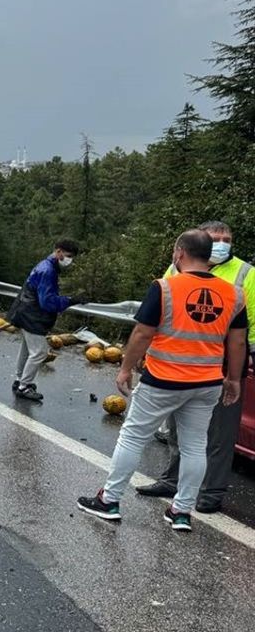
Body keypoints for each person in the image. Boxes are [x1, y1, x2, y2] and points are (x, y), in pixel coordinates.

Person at [78, 229, 247, 532]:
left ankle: (110, 501)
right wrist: (234, 379)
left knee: (133, 437)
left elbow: (143, 333)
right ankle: (181, 512)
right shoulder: (234, 294)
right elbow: (237, 342)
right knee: (196, 446)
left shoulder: (165, 287)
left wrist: (125, 368)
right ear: (209, 256)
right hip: (208, 381)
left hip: (164, 379)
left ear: (180, 253)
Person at [137, 220, 254, 513]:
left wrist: (237, 370)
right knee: (180, 429)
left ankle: (211, 492)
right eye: (215, 238)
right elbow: (163, 305)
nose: (221, 243)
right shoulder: (178, 266)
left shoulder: (246, 274)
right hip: (181, 361)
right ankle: (172, 480)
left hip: (225, 361)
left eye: (227, 238)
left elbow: (248, 328)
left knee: (220, 434)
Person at [6, 240, 87, 401]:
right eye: (68, 256)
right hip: (33, 315)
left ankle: (19, 380)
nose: (69, 260)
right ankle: (24, 386)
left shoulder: (44, 265)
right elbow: (47, 302)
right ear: (58, 252)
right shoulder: (48, 271)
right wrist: (70, 300)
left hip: (25, 311)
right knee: (39, 353)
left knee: (27, 350)